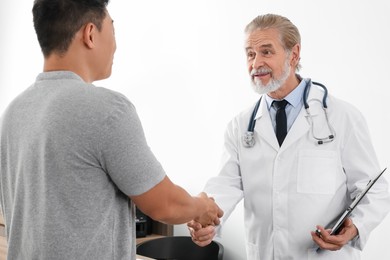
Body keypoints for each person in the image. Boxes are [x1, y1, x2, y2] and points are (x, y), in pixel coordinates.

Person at [0, 0, 223, 259]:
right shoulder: (105, 109)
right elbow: (165, 204)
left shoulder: (14, 112)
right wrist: (201, 207)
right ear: (90, 34)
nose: (116, 46)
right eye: (113, 31)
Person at [187, 13, 390, 259]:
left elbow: (373, 188)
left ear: (293, 55)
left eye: (266, 52)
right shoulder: (241, 125)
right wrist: (207, 223)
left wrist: (355, 227)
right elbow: (226, 184)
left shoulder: (341, 117)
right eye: (250, 54)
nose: (255, 63)